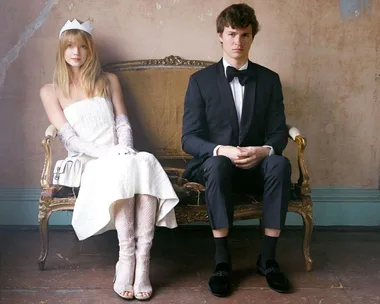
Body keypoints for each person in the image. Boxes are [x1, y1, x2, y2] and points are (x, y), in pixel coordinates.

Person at [40, 19, 179, 301]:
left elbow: (122, 121)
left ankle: (143, 262)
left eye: (82, 46)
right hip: (87, 160)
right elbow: (68, 138)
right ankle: (126, 258)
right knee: (125, 168)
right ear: (61, 50)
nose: (76, 51)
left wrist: (124, 149)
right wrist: (108, 154)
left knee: (144, 161)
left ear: (90, 50)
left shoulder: (108, 80)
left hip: (121, 154)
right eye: (69, 46)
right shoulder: (50, 90)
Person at [181, 3, 292, 297]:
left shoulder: (269, 80)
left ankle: (267, 258)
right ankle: (221, 260)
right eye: (232, 34)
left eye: (244, 35)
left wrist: (265, 151)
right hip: (218, 169)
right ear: (220, 35)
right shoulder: (200, 81)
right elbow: (189, 139)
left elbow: (279, 131)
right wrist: (222, 150)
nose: (237, 42)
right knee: (217, 165)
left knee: (280, 164)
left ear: (252, 37)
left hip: (257, 169)